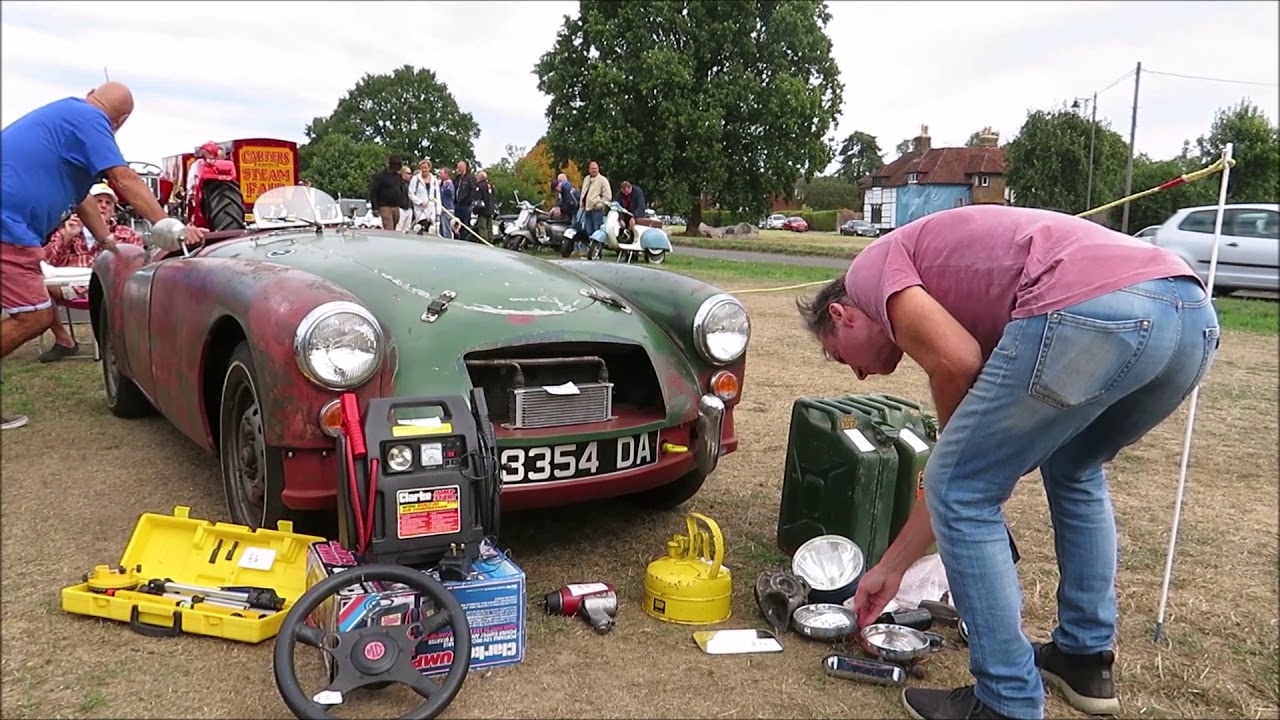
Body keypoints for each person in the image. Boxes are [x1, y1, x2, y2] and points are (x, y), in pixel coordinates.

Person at [796, 204, 1219, 720]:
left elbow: (957, 361)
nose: (858, 376)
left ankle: (1007, 700)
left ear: (841, 315)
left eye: (840, 356)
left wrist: (954, 455)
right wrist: (891, 568)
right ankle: (1084, 658)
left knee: (962, 488)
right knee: (1074, 468)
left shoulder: (867, 271)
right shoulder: (950, 294)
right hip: (1190, 315)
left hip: (1092, 308)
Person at [0, 82, 207, 430]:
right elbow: (124, 179)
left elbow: (80, 197)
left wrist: (106, 241)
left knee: (33, 313)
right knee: (34, 316)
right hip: (8, 227)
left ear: (92, 91)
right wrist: (172, 227)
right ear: (120, 121)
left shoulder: (67, 118)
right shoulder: (91, 120)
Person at [40, 184, 144, 362]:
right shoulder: (68, 229)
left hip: (110, 289)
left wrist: (107, 240)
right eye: (98, 201)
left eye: (108, 203)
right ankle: (64, 340)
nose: (103, 206)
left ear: (113, 210)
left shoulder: (127, 234)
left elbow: (137, 264)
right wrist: (66, 237)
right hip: (71, 286)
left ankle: (119, 344)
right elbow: (45, 262)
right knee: (35, 282)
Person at [367, 154, 403, 230]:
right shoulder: (381, 176)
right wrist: (375, 207)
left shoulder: (398, 176)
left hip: (396, 206)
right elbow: (373, 191)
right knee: (389, 227)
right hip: (384, 206)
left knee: (395, 227)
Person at [579, 161, 611, 239]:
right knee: (588, 230)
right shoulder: (586, 179)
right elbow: (583, 192)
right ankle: (590, 245)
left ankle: (597, 246)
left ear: (598, 169)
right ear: (589, 169)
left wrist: (599, 205)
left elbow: (607, 196)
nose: (594, 170)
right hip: (586, 208)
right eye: (592, 168)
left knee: (597, 230)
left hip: (596, 210)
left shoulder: (603, 180)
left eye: (595, 168)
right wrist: (581, 203)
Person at [409, 160, 440, 234]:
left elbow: (437, 195)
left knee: (431, 228)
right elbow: (410, 193)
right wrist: (419, 202)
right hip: (420, 208)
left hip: (431, 208)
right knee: (423, 225)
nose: (424, 170)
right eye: (422, 168)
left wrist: (438, 210)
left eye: (425, 168)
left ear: (429, 168)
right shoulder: (415, 179)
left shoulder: (434, 180)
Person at [472, 170, 495, 243]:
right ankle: (490, 240)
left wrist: (475, 210)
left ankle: (484, 241)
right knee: (489, 228)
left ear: (480, 177)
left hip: (482, 211)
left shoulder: (479, 186)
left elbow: (478, 200)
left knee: (482, 227)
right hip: (490, 210)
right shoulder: (490, 186)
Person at [453, 161, 476, 232]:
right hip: (457, 205)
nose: (458, 169)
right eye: (458, 167)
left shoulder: (470, 178)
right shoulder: (456, 178)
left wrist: (468, 201)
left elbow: (473, 190)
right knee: (456, 224)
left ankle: (465, 237)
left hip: (465, 205)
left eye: (460, 167)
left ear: (464, 167)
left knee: (465, 225)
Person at [395, 166, 415, 232]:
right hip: (401, 208)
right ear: (403, 174)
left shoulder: (411, 184)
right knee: (399, 228)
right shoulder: (398, 183)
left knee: (407, 228)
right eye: (408, 173)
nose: (410, 175)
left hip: (409, 207)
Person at [437, 168, 455, 240]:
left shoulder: (449, 184)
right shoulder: (440, 184)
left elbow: (451, 192)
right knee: (441, 229)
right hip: (441, 209)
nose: (440, 175)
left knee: (446, 228)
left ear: (447, 174)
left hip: (447, 209)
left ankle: (448, 241)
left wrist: (446, 186)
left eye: (441, 173)